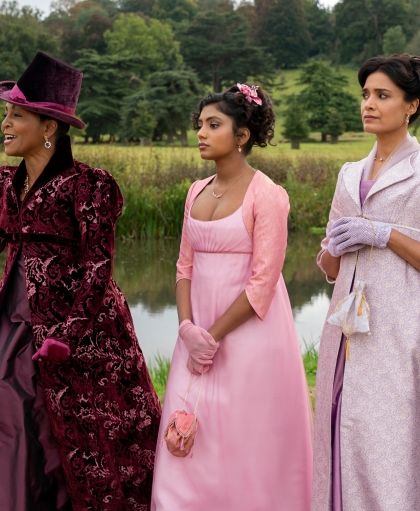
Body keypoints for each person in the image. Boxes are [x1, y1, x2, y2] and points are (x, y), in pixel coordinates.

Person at [0, 52, 161, 511]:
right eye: (5, 114)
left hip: (84, 331)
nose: (4, 124)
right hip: (17, 316)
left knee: (84, 429)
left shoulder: (90, 186)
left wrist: (69, 333)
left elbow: (99, 266)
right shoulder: (9, 181)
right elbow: (3, 228)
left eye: (16, 115)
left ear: (48, 127)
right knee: (7, 413)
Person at [311, 54, 420, 511]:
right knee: (351, 431)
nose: (369, 103)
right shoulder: (348, 174)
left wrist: (386, 235)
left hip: (411, 334)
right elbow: (329, 269)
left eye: (382, 95)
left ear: (412, 105)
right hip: (349, 336)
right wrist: (335, 247)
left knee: (399, 439)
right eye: (366, 94)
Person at [150, 84, 313, 510]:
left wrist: (213, 335)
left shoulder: (268, 195)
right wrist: (188, 331)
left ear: (242, 136)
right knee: (187, 432)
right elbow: (184, 268)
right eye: (199, 124)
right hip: (196, 336)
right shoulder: (195, 191)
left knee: (242, 437)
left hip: (249, 337)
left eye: (213, 125)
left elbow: (263, 282)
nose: (200, 133)